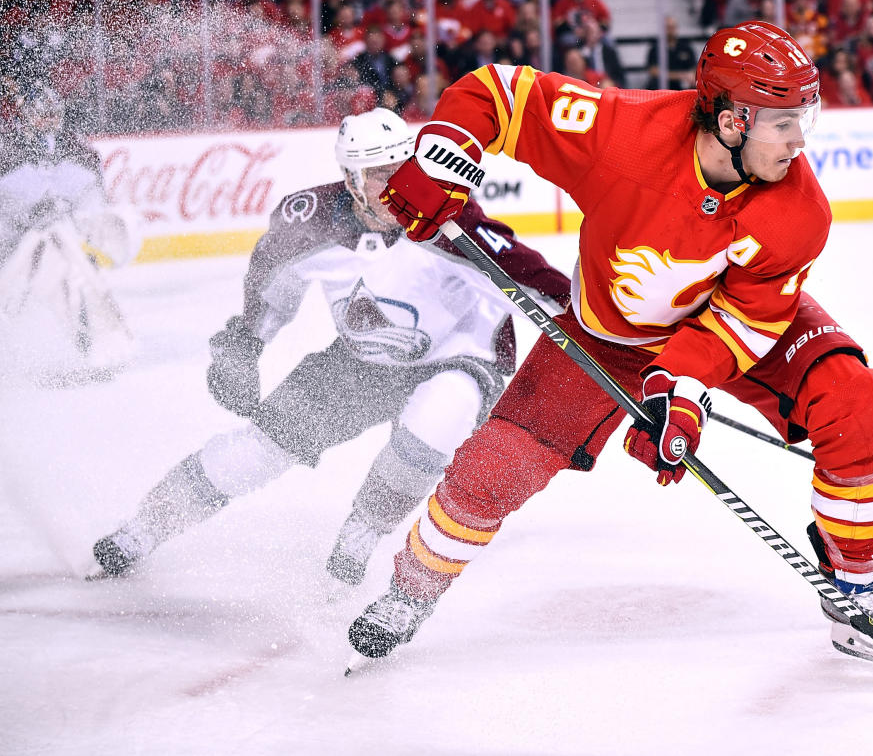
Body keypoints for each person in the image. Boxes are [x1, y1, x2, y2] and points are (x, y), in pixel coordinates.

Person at [347, 22, 873, 661]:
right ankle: (411, 590)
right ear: (733, 120)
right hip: (606, 335)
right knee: (492, 470)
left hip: (720, 327)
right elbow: (499, 93)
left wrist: (678, 388)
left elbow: (745, 322)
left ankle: (856, 596)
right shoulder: (620, 133)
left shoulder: (799, 210)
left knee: (861, 405)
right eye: (783, 122)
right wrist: (441, 155)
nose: (800, 142)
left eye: (803, 120)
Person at [89, 108, 570, 587]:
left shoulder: (451, 221)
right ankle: (145, 527)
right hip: (362, 360)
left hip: (459, 359)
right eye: (377, 175)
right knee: (257, 451)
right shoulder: (310, 222)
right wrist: (245, 345)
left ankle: (364, 530)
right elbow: (270, 286)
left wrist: (597, 328)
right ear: (350, 178)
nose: (393, 188)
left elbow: (539, 282)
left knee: (438, 417)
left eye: (401, 172)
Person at [0, 82, 139, 384]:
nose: (48, 120)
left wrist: (79, 225)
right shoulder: (7, 146)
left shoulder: (75, 147)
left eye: (53, 113)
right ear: (26, 116)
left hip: (53, 237)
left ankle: (86, 349)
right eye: (41, 114)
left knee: (77, 283)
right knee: (11, 295)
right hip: (10, 240)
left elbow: (90, 197)